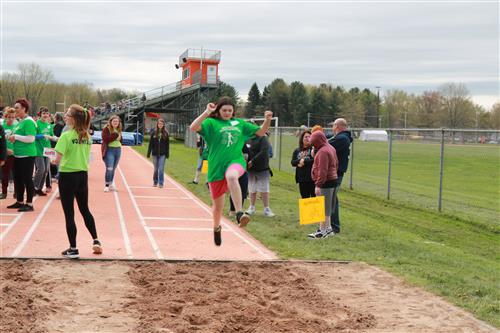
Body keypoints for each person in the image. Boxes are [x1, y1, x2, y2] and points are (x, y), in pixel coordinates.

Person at [189, 97, 272, 246]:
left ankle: (240, 213)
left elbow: (261, 132)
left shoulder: (239, 124)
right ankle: (216, 227)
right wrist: (207, 112)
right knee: (218, 208)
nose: (227, 113)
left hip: (236, 161)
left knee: (232, 177)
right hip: (216, 167)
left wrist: (267, 120)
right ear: (218, 110)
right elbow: (193, 127)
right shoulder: (211, 123)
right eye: (224, 110)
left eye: (230, 110)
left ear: (233, 111)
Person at [53, 104, 102, 259]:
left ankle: (73, 248)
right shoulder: (87, 136)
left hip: (68, 176)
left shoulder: (66, 136)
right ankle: (96, 240)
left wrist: (52, 160)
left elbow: (58, 160)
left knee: (69, 214)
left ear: (74, 118)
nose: (65, 116)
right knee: (85, 209)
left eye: (67, 114)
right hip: (82, 176)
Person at [6, 98, 37, 212]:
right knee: (17, 178)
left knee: (27, 178)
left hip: (27, 155)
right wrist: (12, 138)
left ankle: (29, 204)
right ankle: (19, 201)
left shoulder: (29, 121)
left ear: (24, 108)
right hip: (18, 155)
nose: (15, 110)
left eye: (17, 108)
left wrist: (16, 137)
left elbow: (31, 139)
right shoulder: (20, 122)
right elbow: (17, 137)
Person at [308, 130, 338, 239]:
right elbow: (336, 164)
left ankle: (322, 231)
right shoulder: (330, 148)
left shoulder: (323, 152)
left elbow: (322, 170)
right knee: (328, 208)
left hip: (325, 182)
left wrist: (318, 185)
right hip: (333, 180)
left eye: (314, 143)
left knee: (323, 208)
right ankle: (329, 229)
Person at [327, 118, 352, 234]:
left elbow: (325, 145)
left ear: (337, 126)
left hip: (336, 173)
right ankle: (329, 225)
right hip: (334, 172)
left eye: (333, 126)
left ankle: (335, 227)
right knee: (330, 198)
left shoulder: (342, 138)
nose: (332, 128)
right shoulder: (342, 137)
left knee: (332, 199)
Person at [246, 133, 275, 217]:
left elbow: (264, 151)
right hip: (250, 168)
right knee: (252, 188)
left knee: (264, 189)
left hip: (262, 168)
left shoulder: (263, 138)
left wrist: (253, 161)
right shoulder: (247, 138)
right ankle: (251, 207)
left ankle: (266, 209)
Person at [34, 107, 57, 196]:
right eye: (43, 113)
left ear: (48, 115)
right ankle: (34, 187)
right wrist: (42, 136)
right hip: (39, 149)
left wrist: (56, 138)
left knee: (47, 170)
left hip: (48, 149)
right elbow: (33, 136)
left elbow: (52, 135)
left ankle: (39, 188)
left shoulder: (49, 125)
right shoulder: (36, 124)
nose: (45, 115)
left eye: (46, 114)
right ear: (40, 114)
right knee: (41, 169)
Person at [291, 130, 315, 198]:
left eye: (309, 137)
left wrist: (304, 161)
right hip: (302, 179)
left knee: (315, 198)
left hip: (312, 179)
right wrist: (299, 161)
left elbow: (315, 160)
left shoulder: (314, 149)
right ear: (302, 139)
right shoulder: (297, 150)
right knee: (305, 199)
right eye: (305, 137)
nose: (307, 138)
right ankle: (307, 209)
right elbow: (293, 162)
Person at [101, 115, 122, 192]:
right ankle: (106, 185)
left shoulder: (119, 129)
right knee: (109, 168)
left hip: (118, 150)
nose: (116, 123)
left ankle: (111, 184)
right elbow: (105, 139)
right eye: (114, 121)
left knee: (113, 168)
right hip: (109, 150)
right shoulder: (106, 129)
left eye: (117, 121)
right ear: (111, 122)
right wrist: (115, 134)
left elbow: (120, 139)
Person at [147, 118, 169, 188]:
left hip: (163, 154)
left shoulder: (166, 133)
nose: (160, 125)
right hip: (155, 154)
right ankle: (155, 181)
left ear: (163, 125)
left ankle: (161, 183)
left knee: (161, 169)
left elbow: (167, 145)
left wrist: (167, 154)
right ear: (157, 124)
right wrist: (148, 152)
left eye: (162, 124)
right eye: (159, 124)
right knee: (156, 169)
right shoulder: (153, 133)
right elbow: (150, 144)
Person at [1, 108, 16, 199]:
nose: (11, 119)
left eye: (13, 117)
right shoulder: (2, 127)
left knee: (16, 174)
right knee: (4, 174)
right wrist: (5, 150)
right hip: (5, 153)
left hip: (16, 153)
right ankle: (4, 192)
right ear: (5, 117)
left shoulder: (17, 126)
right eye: (9, 117)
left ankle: (17, 192)